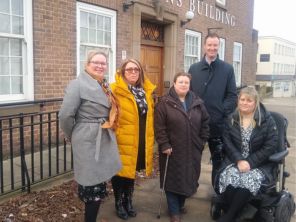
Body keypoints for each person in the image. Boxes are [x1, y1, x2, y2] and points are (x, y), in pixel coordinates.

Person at [59, 51, 122, 222]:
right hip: (87, 140)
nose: (100, 66)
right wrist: (73, 136)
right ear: (87, 64)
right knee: (91, 186)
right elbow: (65, 116)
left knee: (98, 184)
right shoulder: (77, 84)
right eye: (96, 62)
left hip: (103, 137)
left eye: (103, 63)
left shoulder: (103, 84)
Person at [216, 86, 278, 222]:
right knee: (229, 177)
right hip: (235, 161)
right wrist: (239, 160)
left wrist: (250, 162)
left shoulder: (267, 120)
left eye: (249, 100)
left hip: (259, 164)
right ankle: (236, 213)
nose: (244, 103)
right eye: (242, 99)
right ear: (238, 101)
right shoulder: (232, 118)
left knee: (248, 180)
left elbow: (270, 146)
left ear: (255, 103)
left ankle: (229, 216)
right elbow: (227, 142)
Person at [154, 72, 210, 222]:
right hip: (172, 150)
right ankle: (174, 211)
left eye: (186, 82)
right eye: (181, 82)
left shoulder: (197, 102)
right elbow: (159, 127)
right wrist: (164, 144)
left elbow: (205, 122)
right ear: (174, 83)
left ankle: (180, 204)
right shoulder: (164, 103)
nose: (184, 85)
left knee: (189, 177)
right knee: (172, 179)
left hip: (193, 149)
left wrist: (202, 141)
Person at [188, 32, 237, 184]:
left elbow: (232, 96)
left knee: (219, 160)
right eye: (209, 45)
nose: (212, 48)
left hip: (218, 125)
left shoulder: (227, 69)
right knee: (193, 158)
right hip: (196, 124)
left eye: (215, 45)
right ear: (204, 46)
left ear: (219, 46)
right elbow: (188, 94)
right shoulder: (194, 68)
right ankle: (190, 185)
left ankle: (218, 189)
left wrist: (222, 111)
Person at [110, 58, 156, 220]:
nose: (133, 73)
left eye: (136, 70)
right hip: (122, 138)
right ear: (122, 72)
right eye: (129, 70)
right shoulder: (114, 89)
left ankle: (128, 200)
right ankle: (118, 203)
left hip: (140, 137)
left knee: (132, 170)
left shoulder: (144, 90)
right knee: (120, 172)